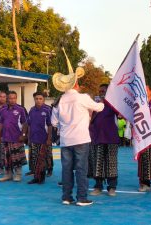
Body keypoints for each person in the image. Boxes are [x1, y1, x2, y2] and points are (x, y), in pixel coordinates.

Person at [51, 50, 104, 206]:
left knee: (67, 169)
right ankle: (82, 197)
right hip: (80, 138)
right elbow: (99, 108)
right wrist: (103, 101)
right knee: (81, 168)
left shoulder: (58, 101)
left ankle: (66, 197)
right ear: (75, 84)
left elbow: (54, 122)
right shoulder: (82, 98)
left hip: (66, 140)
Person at [88, 84, 120, 197]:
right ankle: (98, 186)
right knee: (98, 163)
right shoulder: (96, 104)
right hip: (97, 138)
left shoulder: (115, 104)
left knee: (111, 163)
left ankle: (112, 187)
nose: (101, 92)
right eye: (100, 90)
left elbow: (121, 114)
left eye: (104, 91)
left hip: (111, 138)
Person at [0, 91, 28, 182]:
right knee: (6, 158)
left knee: (17, 157)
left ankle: (18, 174)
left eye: (14, 98)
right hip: (5, 137)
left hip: (16, 138)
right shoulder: (3, 110)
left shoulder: (20, 109)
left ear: (16, 98)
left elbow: (25, 123)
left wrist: (23, 135)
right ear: (7, 99)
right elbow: (0, 123)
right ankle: (8, 175)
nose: (12, 100)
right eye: (10, 98)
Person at [27, 92, 52, 184]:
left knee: (42, 159)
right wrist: (29, 138)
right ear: (34, 99)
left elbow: (50, 126)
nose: (38, 100)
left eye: (40, 98)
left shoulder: (47, 110)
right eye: (36, 98)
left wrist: (49, 139)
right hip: (33, 139)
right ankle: (35, 177)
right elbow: (29, 125)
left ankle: (41, 178)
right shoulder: (31, 110)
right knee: (34, 159)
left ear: (43, 100)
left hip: (43, 139)